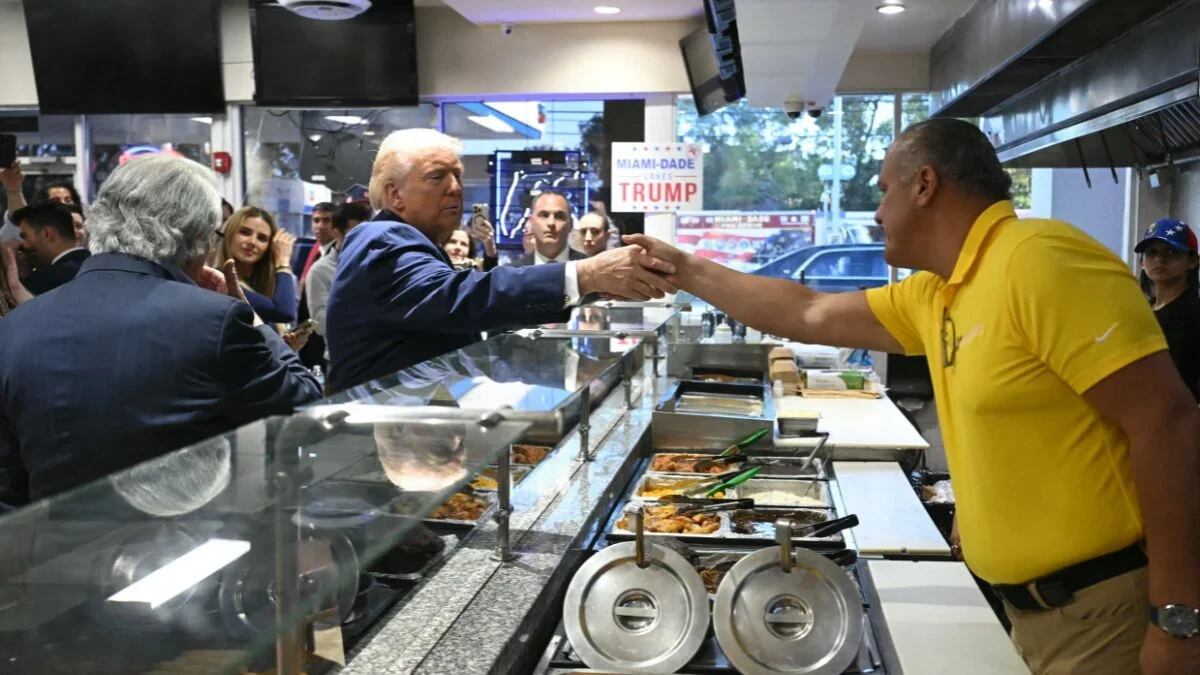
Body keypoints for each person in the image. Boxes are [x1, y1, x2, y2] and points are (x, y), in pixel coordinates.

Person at [627, 118, 1200, 675]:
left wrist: (1176, 618)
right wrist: (683, 268)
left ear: (925, 185)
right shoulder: (940, 292)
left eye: (883, 190)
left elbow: (1170, 425)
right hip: (1035, 609)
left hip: (1103, 609)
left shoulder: (1041, 259)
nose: (876, 212)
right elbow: (806, 310)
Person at [0, 155, 321, 508]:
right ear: (197, 239)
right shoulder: (215, 320)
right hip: (181, 543)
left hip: (50, 551)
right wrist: (254, 319)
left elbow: (10, 485)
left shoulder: (15, 327)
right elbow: (304, 404)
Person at [324, 128, 675, 393]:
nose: (456, 188)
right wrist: (586, 275)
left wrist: (597, 285)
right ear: (394, 194)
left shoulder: (407, 241)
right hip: (375, 438)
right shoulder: (381, 240)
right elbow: (459, 299)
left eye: (457, 175)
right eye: (436, 177)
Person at [1136, 218, 1200, 402]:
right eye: (1151, 252)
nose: (1159, 259)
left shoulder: (1195, 313)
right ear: (1142, 263)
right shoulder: (1140, 312)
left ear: (1193, 260)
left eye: (1171, 251)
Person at [212, 206, 299, 324]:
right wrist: (283, 262)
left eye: (262, 238)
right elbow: (284, 312)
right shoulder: (220, 280)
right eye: (245, 232)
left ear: (270, 247)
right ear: (229, 234)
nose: (252, 242)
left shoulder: (261, 285)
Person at [307, 201, 371, 362]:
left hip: (378, 358)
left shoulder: (374, 263)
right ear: (336, 232)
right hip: (344, 360)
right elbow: (320, 323)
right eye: (355, 233)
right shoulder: (320, 271)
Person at [12, 200, 89, 296]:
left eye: (25, 236)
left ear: (47, 234)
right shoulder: (101, 265)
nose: (24, 245)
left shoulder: (42, 280)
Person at [511, 191, 588, 267]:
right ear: (531, 222)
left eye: (559, 216)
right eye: (544, 215)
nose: (551, 223)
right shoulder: (512, 274)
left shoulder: (592, 269)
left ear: (571, 224)